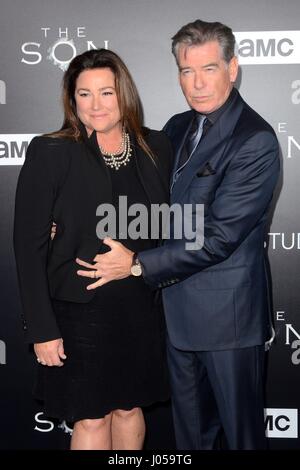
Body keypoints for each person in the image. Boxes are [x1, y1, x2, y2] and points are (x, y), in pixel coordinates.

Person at [81, 20, 280, 450]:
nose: (197, 83)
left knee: (243, 438)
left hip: (229, 324)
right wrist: (72, 219)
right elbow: (151, 207)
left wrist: (135, 264)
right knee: (190, 440)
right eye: (186, 71)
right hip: (172, 317)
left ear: (233, 68)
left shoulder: (255, 140)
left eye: (209, 69)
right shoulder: (176, 127)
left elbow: (219, 237)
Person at [13, 48, 172, 450]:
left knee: (130, 411)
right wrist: (42, 330)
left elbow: (172, 225)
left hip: (138, 309)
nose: (95, 104)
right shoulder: (51, 151)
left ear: (124, 94)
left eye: (106, 92)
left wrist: (136, 262)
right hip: (77, 314)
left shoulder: (157, 147)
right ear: (72, 99)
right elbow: (27, 248)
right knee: (91, 419)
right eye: (84, 94)